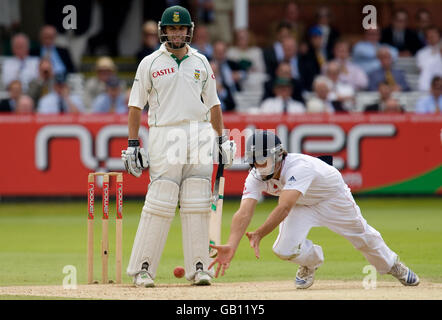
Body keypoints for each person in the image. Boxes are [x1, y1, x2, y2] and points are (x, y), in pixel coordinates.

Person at [209, 130, 420, 289]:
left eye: (263, 160)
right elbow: (244, 212)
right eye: (254, 161)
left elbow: (283, 207)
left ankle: (392, 265)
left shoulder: (299, 168)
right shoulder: (256, 175)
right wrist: (231, 245)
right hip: (301, 205)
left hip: (332, 199)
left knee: (361, 236)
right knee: (283, 250)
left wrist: (259, 233)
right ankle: (311, 262)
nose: (258, 166)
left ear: (278, 155)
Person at [120, 5, 237, 288]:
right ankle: (142, 269)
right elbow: (136, 105)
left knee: (197, 200)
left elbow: (214, 105)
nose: (176, 33)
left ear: (188, 30)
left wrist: (221, 138)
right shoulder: (150, 62)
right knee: (161, 200)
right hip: (165, 133)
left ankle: (199, 267)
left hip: (198, 133)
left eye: (180, 28)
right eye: (171, 29)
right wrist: (133, 143)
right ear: (164, 31)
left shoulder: (201, 62)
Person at [416, 26, 442, 92]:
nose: (432, 38)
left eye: (434, 35)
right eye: (429, 36)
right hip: (426, 86)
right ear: (426, 38)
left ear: (439, 36)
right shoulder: (421, 53)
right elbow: (423, 69)